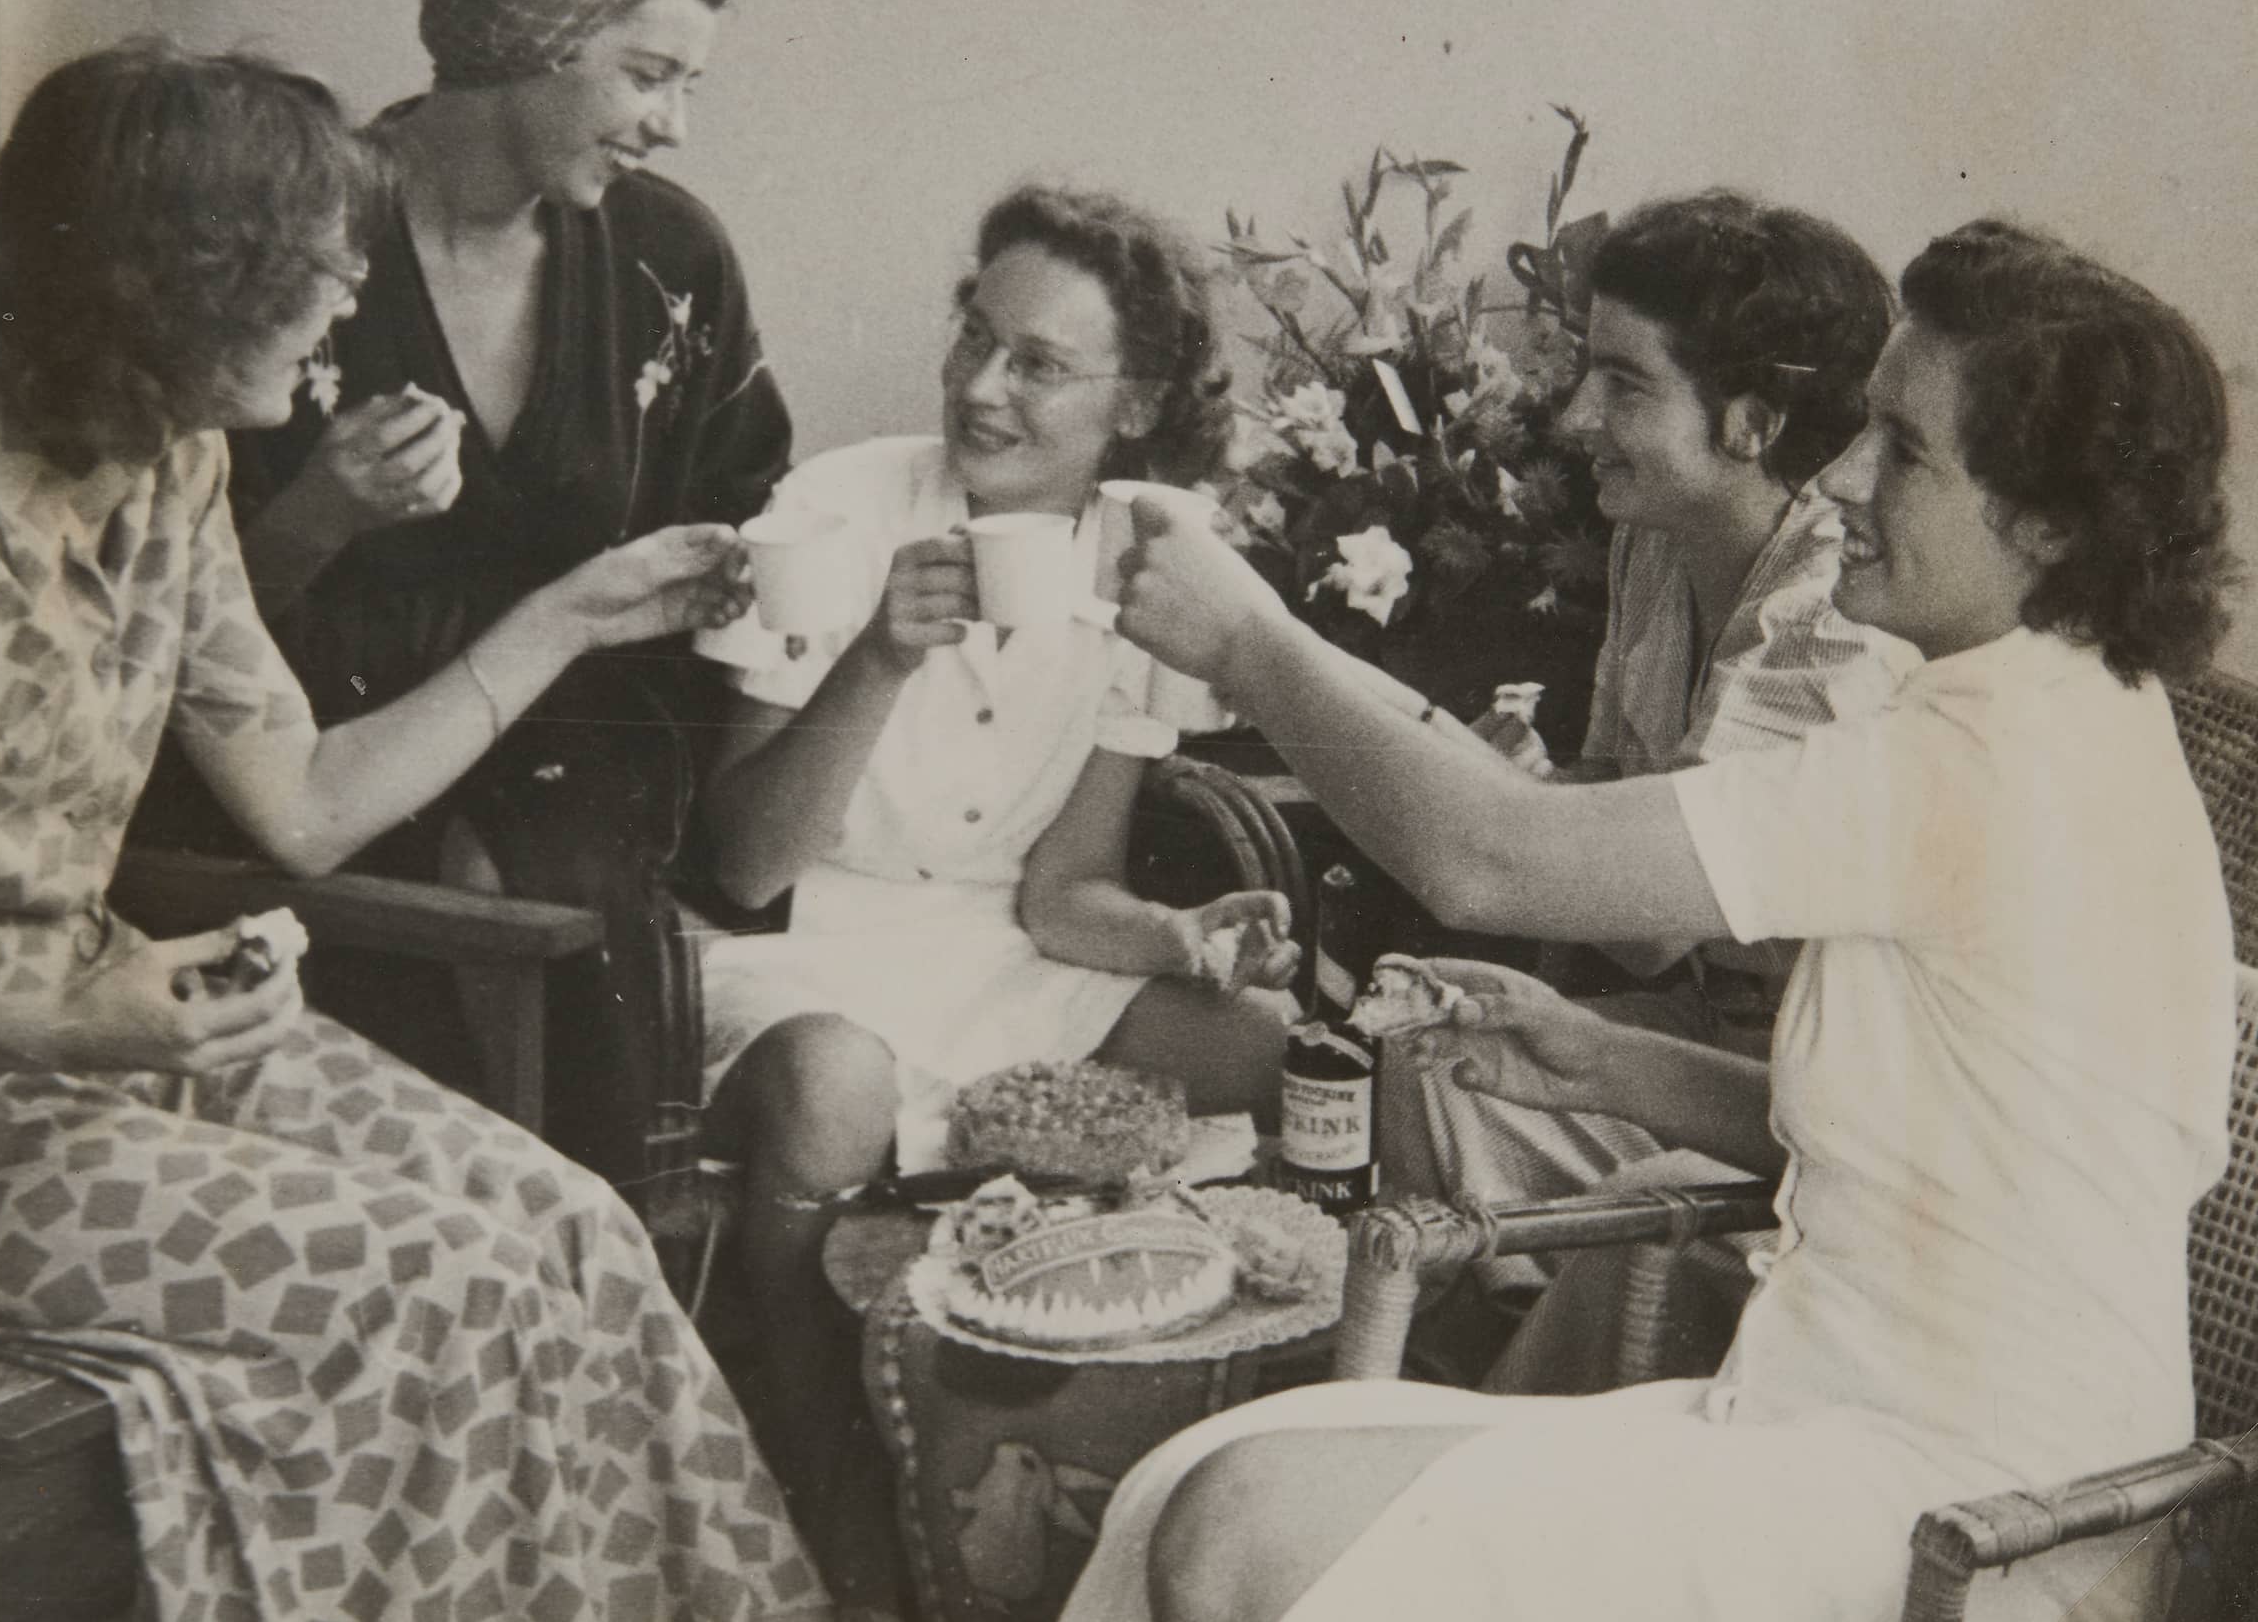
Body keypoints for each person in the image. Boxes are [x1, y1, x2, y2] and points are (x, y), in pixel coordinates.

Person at [0, 43, 832, 1622]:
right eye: (319, 267)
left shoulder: (171, 474)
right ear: (188, 286)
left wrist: (568, 617)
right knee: (448, 1283)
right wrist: (50, 1025)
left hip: (86, 1054)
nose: (352, 296)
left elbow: (303, 801)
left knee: (568, 1225)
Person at [1063, 219, 2238, 1621]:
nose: (1845, 475)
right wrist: (1603, 1059)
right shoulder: (2054, 711)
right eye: (1862, 426)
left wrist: (1246, 638)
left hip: (1982, 1521)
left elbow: (1490, 858)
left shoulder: (1992, 757)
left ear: (2046, 521)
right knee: (1208, 1470)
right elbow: (1936, 1156)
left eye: (1905, 449)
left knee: (1244, 1522)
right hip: (1831, 1434)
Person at [693, 185, 1302, 1602]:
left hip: (997, 950)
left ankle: (1159, 1441)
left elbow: (1061, 894)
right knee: (837, 1088)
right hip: (807, 947)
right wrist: (876, 661)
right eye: (975, 336)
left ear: (1136, 400)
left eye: (1038, 362)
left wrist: (1182, 932)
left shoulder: (1159, 556)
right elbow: (746, 864)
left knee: (1268, 1047)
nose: (981, 386)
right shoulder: (836, 508)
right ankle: (816, 1462)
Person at [153, 0, 788, 1131]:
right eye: (648, 77)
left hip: (583, 731)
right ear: (524, 41)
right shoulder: (301, 239)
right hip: (309, 753)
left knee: (529, 870)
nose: (673, 126)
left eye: (685, 85)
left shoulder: (670, 258)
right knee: (450, 908)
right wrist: (319, 516)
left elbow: (749, 515)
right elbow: (166, 613)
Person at [1409, 191, 1919, 1320]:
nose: (1574, 415)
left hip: (1817, 1105)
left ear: (1752, 420)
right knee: (1428, 1064)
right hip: (1705, 1039)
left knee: (1447, 1088)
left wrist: (1473, 784)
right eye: (1588, 370)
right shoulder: (1657, 540)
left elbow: (1647, 929)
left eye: (1625, 384)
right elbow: (1626, 838)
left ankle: (1522, 1353)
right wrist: (1539, 787)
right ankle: (1500, 1337)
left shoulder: (1832, 617)